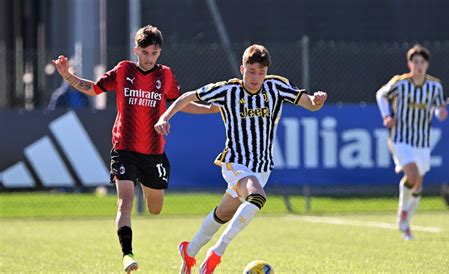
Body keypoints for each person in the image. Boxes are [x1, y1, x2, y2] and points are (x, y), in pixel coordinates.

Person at [52, 25, 218, 273]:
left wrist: (212, 109)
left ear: (159, 52)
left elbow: (179, 103)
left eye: (154, 53)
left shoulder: (166, 76)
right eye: (145, 52)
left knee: (155, 208)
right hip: (124, 149)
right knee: (124, 202)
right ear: (136, 50)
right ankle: (127, 255)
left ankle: (145, 186)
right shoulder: (123, 70)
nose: (149, 58)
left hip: (153, 153)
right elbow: (94, 88)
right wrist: (67, 75)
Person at [155, 44, 327, 273]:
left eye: (261, 72)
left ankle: (190, 250)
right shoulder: (229, 90)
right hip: (235, 161)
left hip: (262, 167)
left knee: (224, 213)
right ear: (242, 68)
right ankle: (217, 252)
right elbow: (187, 97)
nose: (256, 77)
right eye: (251, 71)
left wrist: (318, 101)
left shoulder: (277, 86)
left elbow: (311, 105)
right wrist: (165, 117)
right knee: (257, 197)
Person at [376, 44, 448, 240]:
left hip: (422, 142)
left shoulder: (435, 86)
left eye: (422, 62)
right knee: (413, 174)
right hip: (401, 139)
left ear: (427, 65)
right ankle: (402, 213)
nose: (418, 66)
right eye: (415, 62)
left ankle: (406, 222)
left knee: (418, 184)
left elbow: (437, 109)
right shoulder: (400, 83)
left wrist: (440, 113)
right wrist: (386, 116)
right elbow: (380, 95)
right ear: (409, 64)